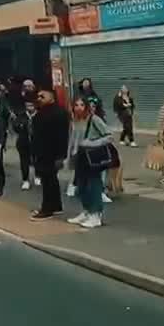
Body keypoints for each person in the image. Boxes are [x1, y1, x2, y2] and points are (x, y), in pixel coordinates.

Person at [69, 97, 114, 229]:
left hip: (92, 156)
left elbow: (109, 136)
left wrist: (92, 143)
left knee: (94, 186)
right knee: (81, 187)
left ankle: (96, 215)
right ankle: (87, 211)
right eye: (76, 105)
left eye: (82, 105)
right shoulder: (74, 121)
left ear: (87, 106)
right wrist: (70, 156)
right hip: (79, 156)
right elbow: (72, 140)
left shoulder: (94, 119)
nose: (79, 108)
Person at [30, 89, 69, 220]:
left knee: (47, 181)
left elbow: (63, 136)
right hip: (41, 152)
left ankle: (47, 209)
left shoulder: (59, 113)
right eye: (38, 96)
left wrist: (61, 156)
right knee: (51, 179)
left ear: (52, 97)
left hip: (51, 153)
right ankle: (56, 206)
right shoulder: (41, 112)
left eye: (42, 96)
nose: (39, 98)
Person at [14, 99, 36, 191]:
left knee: (37, 159)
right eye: (28, 105)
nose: (29, 107)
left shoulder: (39, 115)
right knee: (24, 161)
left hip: (37, 142)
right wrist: (20, 126)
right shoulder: (21, 115)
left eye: (31, 105)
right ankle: (25, 180)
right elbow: (15, 127)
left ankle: (38, 175)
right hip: (23, 142)